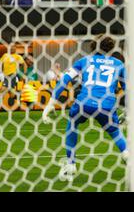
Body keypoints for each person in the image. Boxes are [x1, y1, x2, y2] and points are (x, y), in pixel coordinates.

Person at [42, 36, 128, 182]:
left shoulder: (85, 60)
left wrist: (51, 103)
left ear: (93, 47)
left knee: (73, 124)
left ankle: (71, 164)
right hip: (106, 105)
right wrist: (127, 112)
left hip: (84, 103)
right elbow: (127, 88)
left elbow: (65, 80)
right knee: (114, 131)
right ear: (111, 48)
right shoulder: (118, 64)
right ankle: (127, 155)